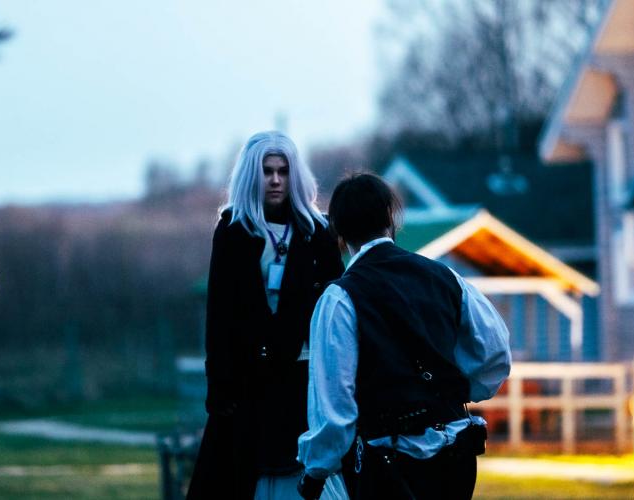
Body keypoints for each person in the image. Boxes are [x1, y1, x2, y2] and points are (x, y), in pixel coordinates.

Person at [296, 173, 511, 500]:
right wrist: (450, 392)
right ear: (390, 217)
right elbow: (494, 354)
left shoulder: (339, 298)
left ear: (338, 231)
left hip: (388, 467)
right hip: (455, 457)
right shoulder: (444, 277)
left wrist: (315, 472)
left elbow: (335, 407)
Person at [187, 131, 346, 499]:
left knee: (304, 474)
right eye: (267, 171)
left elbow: (334, 305)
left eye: (283, 171)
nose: (275, 180)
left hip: (303, 375)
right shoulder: (233, 229)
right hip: (248, 379)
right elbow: (219, 312)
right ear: (251, 175)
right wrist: (219, 384)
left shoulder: (317, 231)